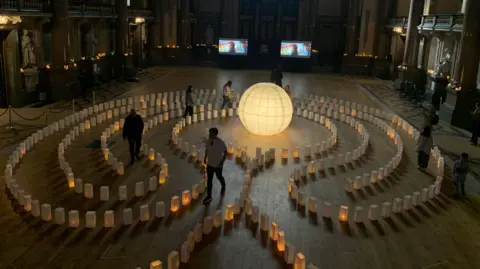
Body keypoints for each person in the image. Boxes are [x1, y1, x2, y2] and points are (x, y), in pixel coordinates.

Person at [202, 127, 227, 204]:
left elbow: (225, 152)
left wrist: (221, 162)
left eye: (210, 133)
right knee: (209, 180)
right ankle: (209, 196)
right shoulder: (208, 140)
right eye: (209, 133)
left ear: (214, 134)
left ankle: (223, 185)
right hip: (210, 164)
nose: (209, 134)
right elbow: (207, 149)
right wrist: (205, 157)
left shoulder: (220, 143)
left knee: (219, 176)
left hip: (217, 165)